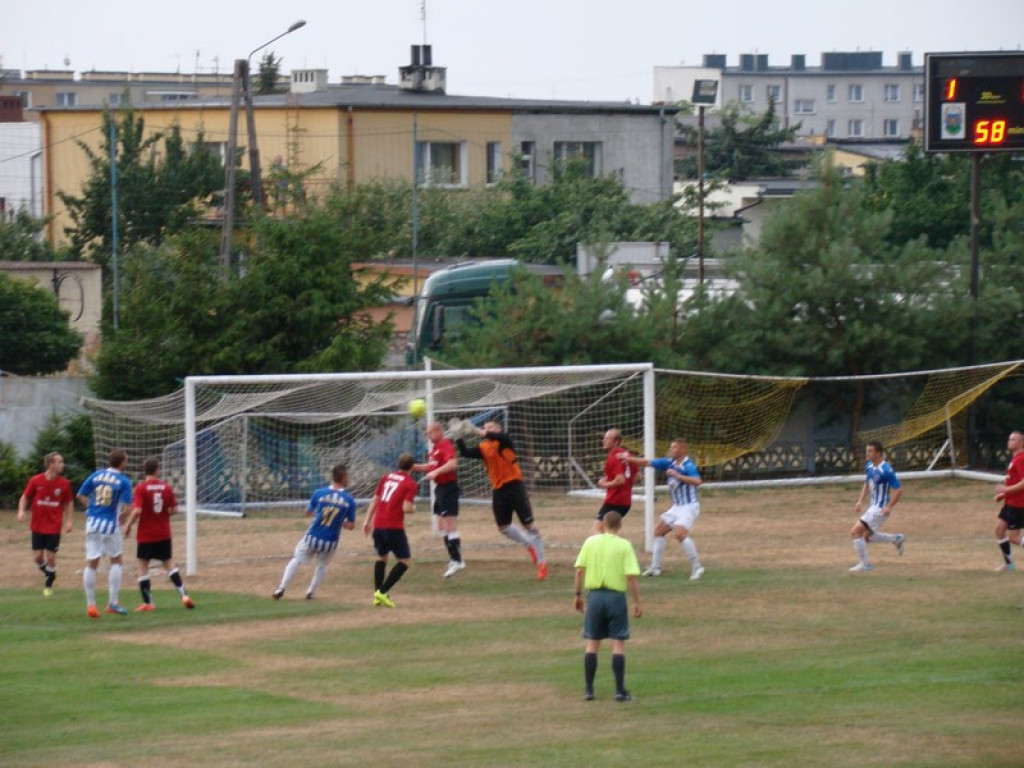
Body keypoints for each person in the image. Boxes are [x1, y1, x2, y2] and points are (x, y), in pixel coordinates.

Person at [456, 419, 548, 580]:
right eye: (485, 427)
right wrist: (458, 437)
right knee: (503, 527)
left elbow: (499, 437)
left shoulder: (505, 441)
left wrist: (478, 430)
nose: (487, 430)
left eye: (490, 427)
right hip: (499, 490)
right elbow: (465, 453)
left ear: (498, 429)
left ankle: (542, 562)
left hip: (515, 487)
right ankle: (529, 544)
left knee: (529, 525)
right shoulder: (484, 447)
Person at [573, 510, 642, 702]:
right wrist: (637, 602)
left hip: (595, 597)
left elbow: (579, 571)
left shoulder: (590, 542)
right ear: (620, 526)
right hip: (616, 598)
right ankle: (619, 691)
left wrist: (578, 595)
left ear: (602, 524)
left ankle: (589, 690)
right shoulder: (624, 545)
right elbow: (630, 577)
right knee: (618, 643)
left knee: (592, 643)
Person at [273, 463, 357, 600]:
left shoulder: (319, 493)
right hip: (330, 541)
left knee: (296, 559)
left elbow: (308, 512)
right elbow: (351, 526)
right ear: (343, 478)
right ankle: (310, 592)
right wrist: (340, 521)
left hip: (313, 535)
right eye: (347, 476)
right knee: (322, 565)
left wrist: (319, 514)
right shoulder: (349, 500)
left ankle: (281, 588)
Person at [123, 456, 195, 611]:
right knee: (169, 564)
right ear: (157, 470)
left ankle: (148, 603)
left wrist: (128, 525)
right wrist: (162, 516)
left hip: (146, 534)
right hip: (163, 533)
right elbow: (174, 510)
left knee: (143, 566)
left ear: (145, 471)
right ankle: (184, 595)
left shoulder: (141, 488)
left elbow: (137, 510)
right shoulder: (166, 487)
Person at [629, 437, 705, 580]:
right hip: (677, 506)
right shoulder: (669, 462)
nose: (671, 450)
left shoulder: (688, 465)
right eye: (671, 447)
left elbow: (697, 481)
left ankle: (697, 567)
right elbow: (646, 462)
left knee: (679, 534)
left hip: (689, 506)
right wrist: (627, 459)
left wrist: (677, 475)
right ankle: (655, 568)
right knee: (659, 532)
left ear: (682, 450)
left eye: (674, 447)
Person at [76, 449, 134, 617]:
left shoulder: (97, 475)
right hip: (110, 524)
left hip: (92, 523)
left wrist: (90, 509)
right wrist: (123, 517)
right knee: (116, 561)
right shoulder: (124, 481)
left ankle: (91, 605)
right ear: (122, 463)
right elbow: (128, 508)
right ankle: (113, 603)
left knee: (92, 563)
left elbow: (80, 495)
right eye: (126, 460)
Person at [362, 453, 419, 608]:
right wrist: (414, 508)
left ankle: (377, 595)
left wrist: (367, 521)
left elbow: (375, 499)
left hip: (378, 524)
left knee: (382, 557)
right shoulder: (410, 484)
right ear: (412, 467)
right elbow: (406, 508)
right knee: (404, 561)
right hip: (393, 527)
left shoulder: (386, 477)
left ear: (398, 464)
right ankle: (382, 591)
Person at [412, 420, 465, 578]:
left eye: (430, 433)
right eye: (427, 433)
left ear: (438, 432)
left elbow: (453, 463)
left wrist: (436, 473)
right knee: (442, 526)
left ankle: (457, 560)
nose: (428, 435)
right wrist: (415, 467)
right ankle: (454, 558)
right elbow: (431, 466)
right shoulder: (435, 448)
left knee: (449, 525)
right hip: (440, 489)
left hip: (448, 487)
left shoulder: (445, 444)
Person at [17, 452, 74, 596]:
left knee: (51, 557)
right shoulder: (36, 480)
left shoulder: (64, 483)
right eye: (59, 462)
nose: (62, 465)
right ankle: (50, 573)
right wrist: (21, 511)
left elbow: (69, 502)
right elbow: (25, 497)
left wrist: (69, 521)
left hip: (54, 526)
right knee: (37, 557)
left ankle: (48, 585)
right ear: (51, 464)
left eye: (62, 462)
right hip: (37, 525)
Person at [849, 440, 905, 572]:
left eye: (870, 451)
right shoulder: (869, 466)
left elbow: (898, 490)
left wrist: (889, 507)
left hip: (880, 508)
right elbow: (867, 483)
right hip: (873, 506)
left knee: (855, 532)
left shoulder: (886, 470)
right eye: (866, 451)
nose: (867, 453)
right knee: (866, 536)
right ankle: (896, 539)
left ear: (878, 453)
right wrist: (860, 501)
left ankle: (865, 565)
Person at [593, 428, 638, 533]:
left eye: (608, 438)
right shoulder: (627, 455)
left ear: (616, 442)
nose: (604, 440)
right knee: (609, 531)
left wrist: (604, 484)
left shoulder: (614, 457)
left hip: (614, 500)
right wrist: (626, 486)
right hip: (626, 502)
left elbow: (620, 480)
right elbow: (638, 476)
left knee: (597, 531)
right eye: (604, 438)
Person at [993, 430, 1024, 571]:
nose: (1009, 441)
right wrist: (1004, 494)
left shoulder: (1021, 459)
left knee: (1014, 538)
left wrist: (1005, 489)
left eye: (1013, 439)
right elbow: (1014, 481)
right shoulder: (1015, 458)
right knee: (999, 531)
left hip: (1018, 505)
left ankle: (1009, 564)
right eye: (1009, 439)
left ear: (1021, 443)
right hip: (1010, 503)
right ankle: (1009, 565)